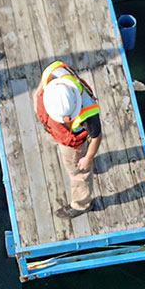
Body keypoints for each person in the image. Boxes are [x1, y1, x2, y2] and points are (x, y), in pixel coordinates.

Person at [34, 61, 102, 219]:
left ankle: (82, 204)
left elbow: (97, 136)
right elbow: (40, 89)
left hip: (73, 144)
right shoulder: (53, 72)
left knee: (79, 172)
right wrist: (38, 95)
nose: (65, 118)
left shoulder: (89, 113)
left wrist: (88, 158)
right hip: (54, 130)